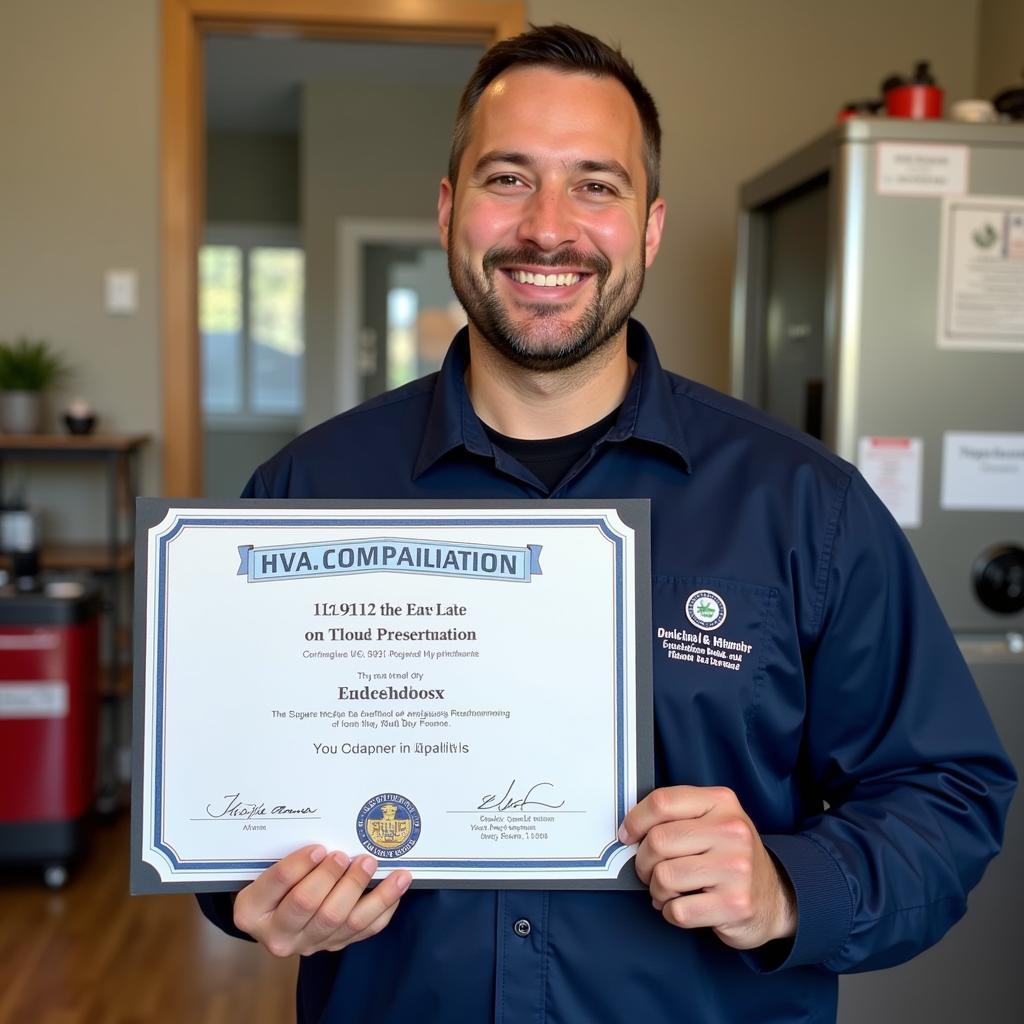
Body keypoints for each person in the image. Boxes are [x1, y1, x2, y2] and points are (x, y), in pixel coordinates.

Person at [198, 25, 1015, 1023]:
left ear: (651, 224)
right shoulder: (303, 493)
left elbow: (945, 789)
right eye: (508, 177)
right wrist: (253, 899)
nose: (549, 227)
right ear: (449, 210)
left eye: (595, 184)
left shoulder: (805, 504)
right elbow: (220, 801)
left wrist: (787, 884)